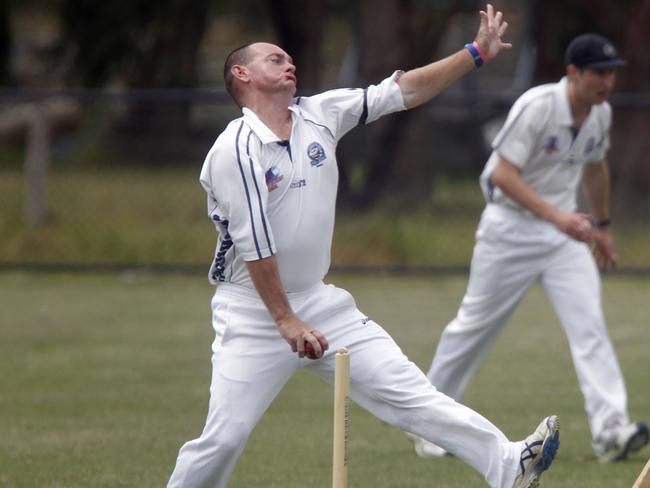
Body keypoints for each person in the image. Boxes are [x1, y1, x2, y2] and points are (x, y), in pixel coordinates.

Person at [167, 6, 561, 488]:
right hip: (253, 312)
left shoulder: (318, 113)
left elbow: (404, 91)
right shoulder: (236, 150)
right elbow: (256, 245)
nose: (289, 63)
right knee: (224, 438)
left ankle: (506, 465)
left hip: (319, 302)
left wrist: (475, 54)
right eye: (275, 59)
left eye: (290, 58)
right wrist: (285, 320)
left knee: (408, 390)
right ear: (241, 74)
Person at [410, 33, 648, 464]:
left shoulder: (600, 114)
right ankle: (429, 424)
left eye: (612, 74)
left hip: (563, 236)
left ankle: (611, 430)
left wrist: (605, 226)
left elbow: (596, 168)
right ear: (573, 73)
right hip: (510, 230)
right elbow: (502, 175)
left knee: (589, 326)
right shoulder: (538, 106)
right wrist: (559, 218)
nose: (607, 83)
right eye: (599, 73)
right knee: (474, 327)